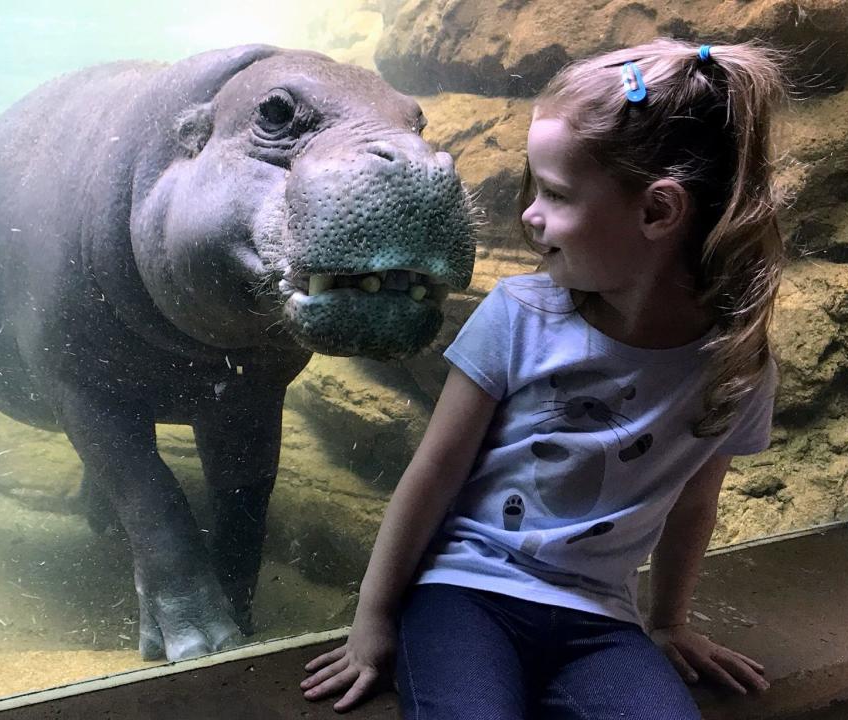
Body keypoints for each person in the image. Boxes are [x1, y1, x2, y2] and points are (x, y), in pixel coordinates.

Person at [300, 37, 789, 719]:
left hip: (601, 621)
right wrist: (374, 619)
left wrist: (669, 622)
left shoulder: (735, 362)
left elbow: (694, 504)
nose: (529, 216)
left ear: (657, 212)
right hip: (465, 594)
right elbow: (431, 476)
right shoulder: (518, 316)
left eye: (555, 194)